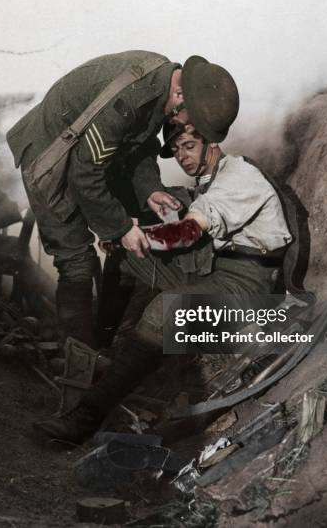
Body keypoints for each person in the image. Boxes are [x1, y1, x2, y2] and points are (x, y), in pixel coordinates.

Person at [35, 103, 295, 443]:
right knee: (123, 259)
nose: (182, 156)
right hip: (219, 268)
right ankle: (103, 349)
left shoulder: (239, 176)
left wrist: (137, 236)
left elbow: (188, 232)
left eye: (189, 146)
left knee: (164, 310)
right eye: (176, 150)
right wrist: (130, 241)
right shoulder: (213, 178)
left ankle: (87, 417)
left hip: (250, 283)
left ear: (212, 143)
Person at [5, 51, 239, 348]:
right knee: (76, 257)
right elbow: (85, 174)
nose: (182, 125)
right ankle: (80, 362)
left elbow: (139, 144)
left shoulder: (162, 80)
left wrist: (150, 189)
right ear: (180, 94)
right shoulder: (131, 99)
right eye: (189, 119)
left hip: (80, 151)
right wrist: (120, 228)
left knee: (132, 223)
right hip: (48, 154)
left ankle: (102, 338)